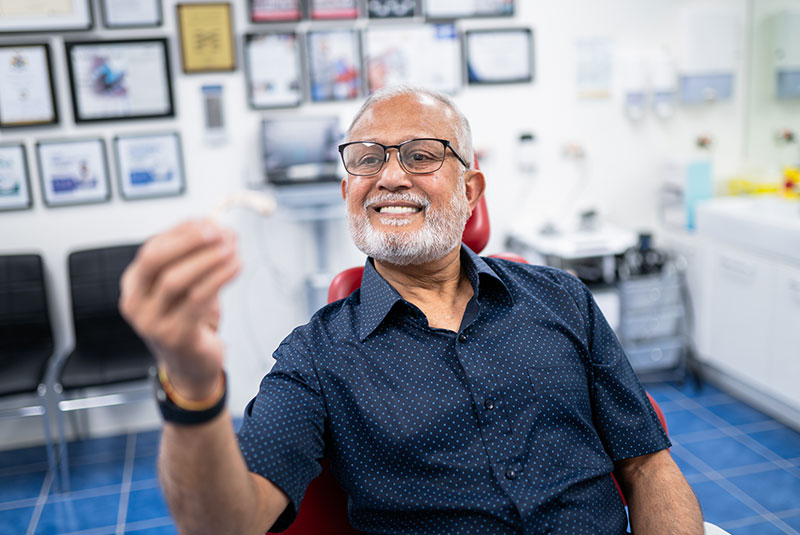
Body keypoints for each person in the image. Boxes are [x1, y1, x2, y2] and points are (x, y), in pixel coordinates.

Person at [119, 85, 704, 534]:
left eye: (422, 155)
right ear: (348, 191)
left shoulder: (561, 298)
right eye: (367, 159)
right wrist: (192, 384)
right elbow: (228, 522)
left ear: (470, 191)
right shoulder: (316, 358)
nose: (391, 177)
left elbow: (648, 466)